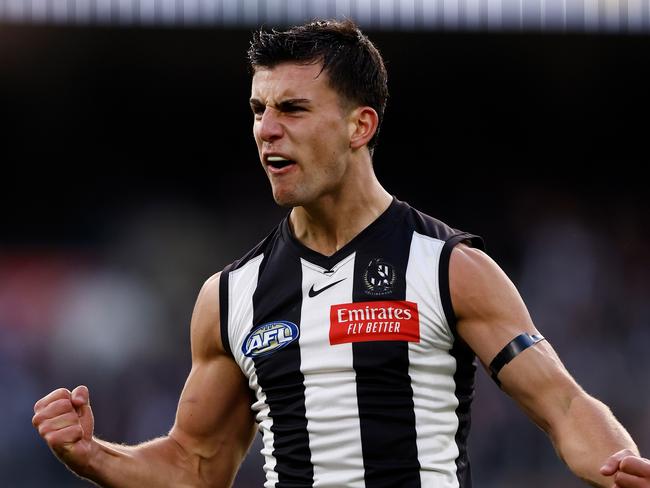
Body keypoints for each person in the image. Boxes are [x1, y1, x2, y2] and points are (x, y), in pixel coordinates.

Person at [33, 19, 648, 488]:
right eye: (258, 110)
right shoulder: (229, 295)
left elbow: (564, 403)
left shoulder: (450, 268)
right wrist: (94, 454)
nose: (266, 129)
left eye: (293, 109)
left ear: (361, 126)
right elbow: (195, 465)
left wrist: (620, 466)